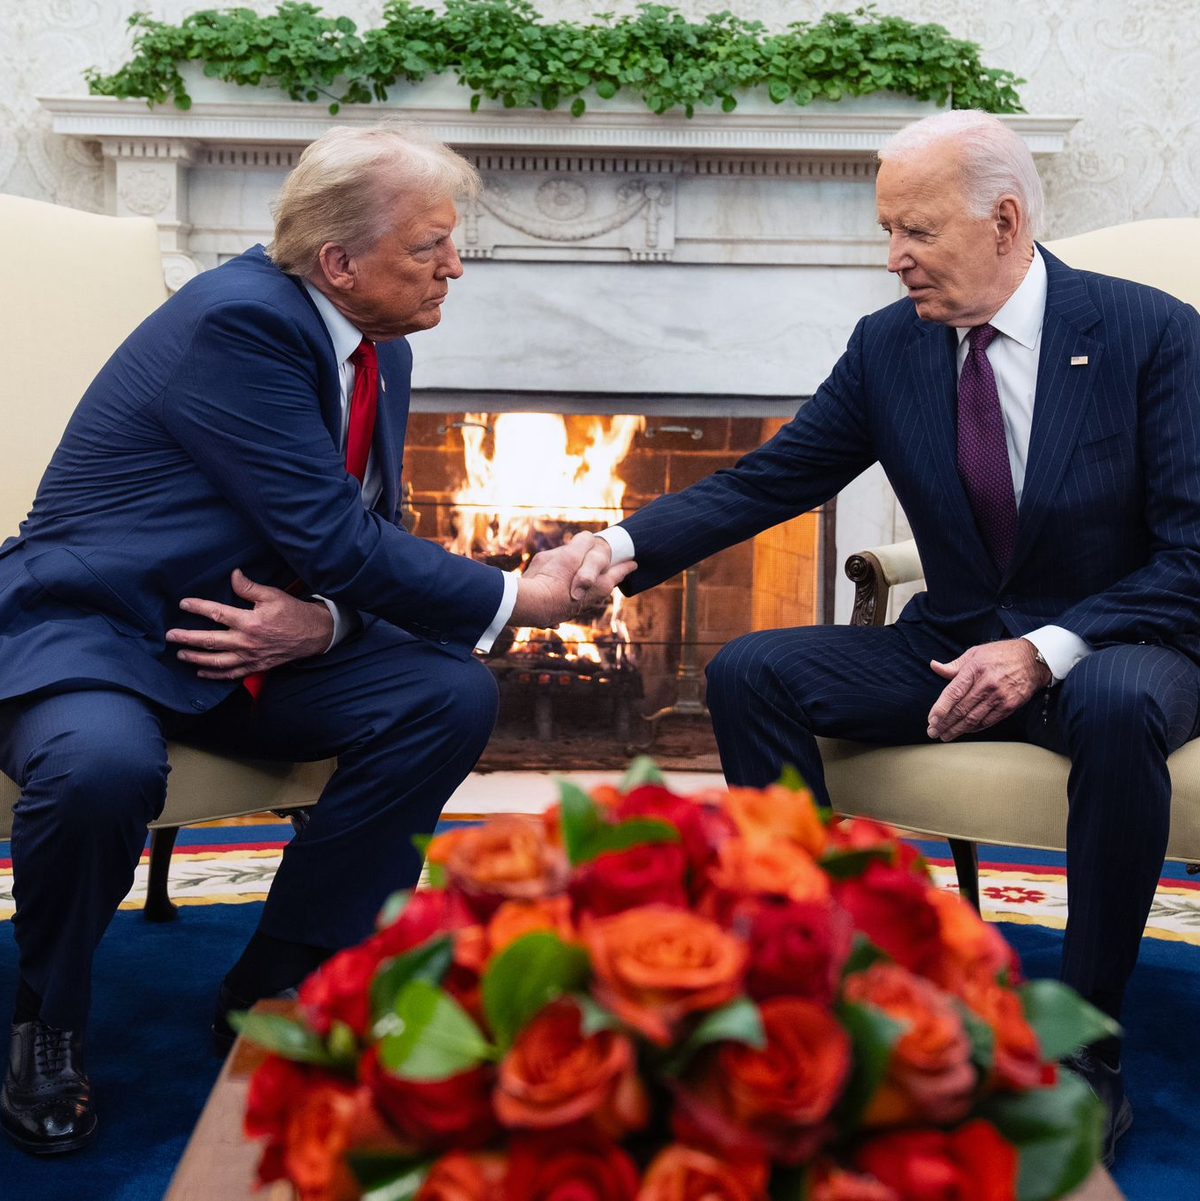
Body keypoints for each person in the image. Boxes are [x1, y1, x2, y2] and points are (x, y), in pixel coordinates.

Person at [576, 109, 1200, 1166]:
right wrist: (618, 545)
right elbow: (772, 478)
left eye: (917, 230)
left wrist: (1044, 650)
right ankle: (810, 990)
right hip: (952, 641)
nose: (894, 257)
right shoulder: (890, 345)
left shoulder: (1153, 332)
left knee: (1115, 701)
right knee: (752, 671)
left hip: (1117, 641)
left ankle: (1090, 1042)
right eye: (887, 230)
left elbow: (1191, 551)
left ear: (1004, 221)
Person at [0, 123, 630, 1154]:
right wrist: (519, 596)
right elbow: (336, 538)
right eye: (430, 245)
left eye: (451, 240)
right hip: (103, 631)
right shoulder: (239, 323)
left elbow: (365, 534)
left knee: (446, 695)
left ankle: (281, 980)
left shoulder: (379, 346)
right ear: (338, 261)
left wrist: (327, 621)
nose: (455, 265)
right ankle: (48, 1020)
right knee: (101, 769)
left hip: (243, 642)